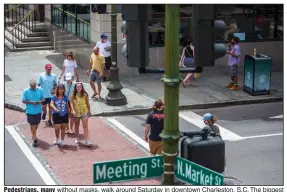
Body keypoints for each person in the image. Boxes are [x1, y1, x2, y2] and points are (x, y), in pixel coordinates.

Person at [22, 79, 45, 147]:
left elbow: (43, 99)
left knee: (36, 124)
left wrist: (38, 102)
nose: (33, 87)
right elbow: (23, 100)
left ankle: (33, 134)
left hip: (38, 111)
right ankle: (35, 140)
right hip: (30, 111)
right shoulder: (26, 91)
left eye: (34, 86)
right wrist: (31, 102)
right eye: (32, 86)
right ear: (30, 85)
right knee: (33, 125)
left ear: (36, 85)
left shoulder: (40, 90)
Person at [70, 82, 92, 146]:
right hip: (76, 113)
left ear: (82, 88)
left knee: (85, 126)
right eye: (77, 87)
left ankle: (86, 140)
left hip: (84, 112)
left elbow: (87, 103)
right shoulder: (73, 95)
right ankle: (77, 138)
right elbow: (71, 103)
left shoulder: (85, 95)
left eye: (80, 87)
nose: (79, 88)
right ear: (75, 88)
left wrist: (89, 111)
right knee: (76, 125)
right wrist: (73, 110)